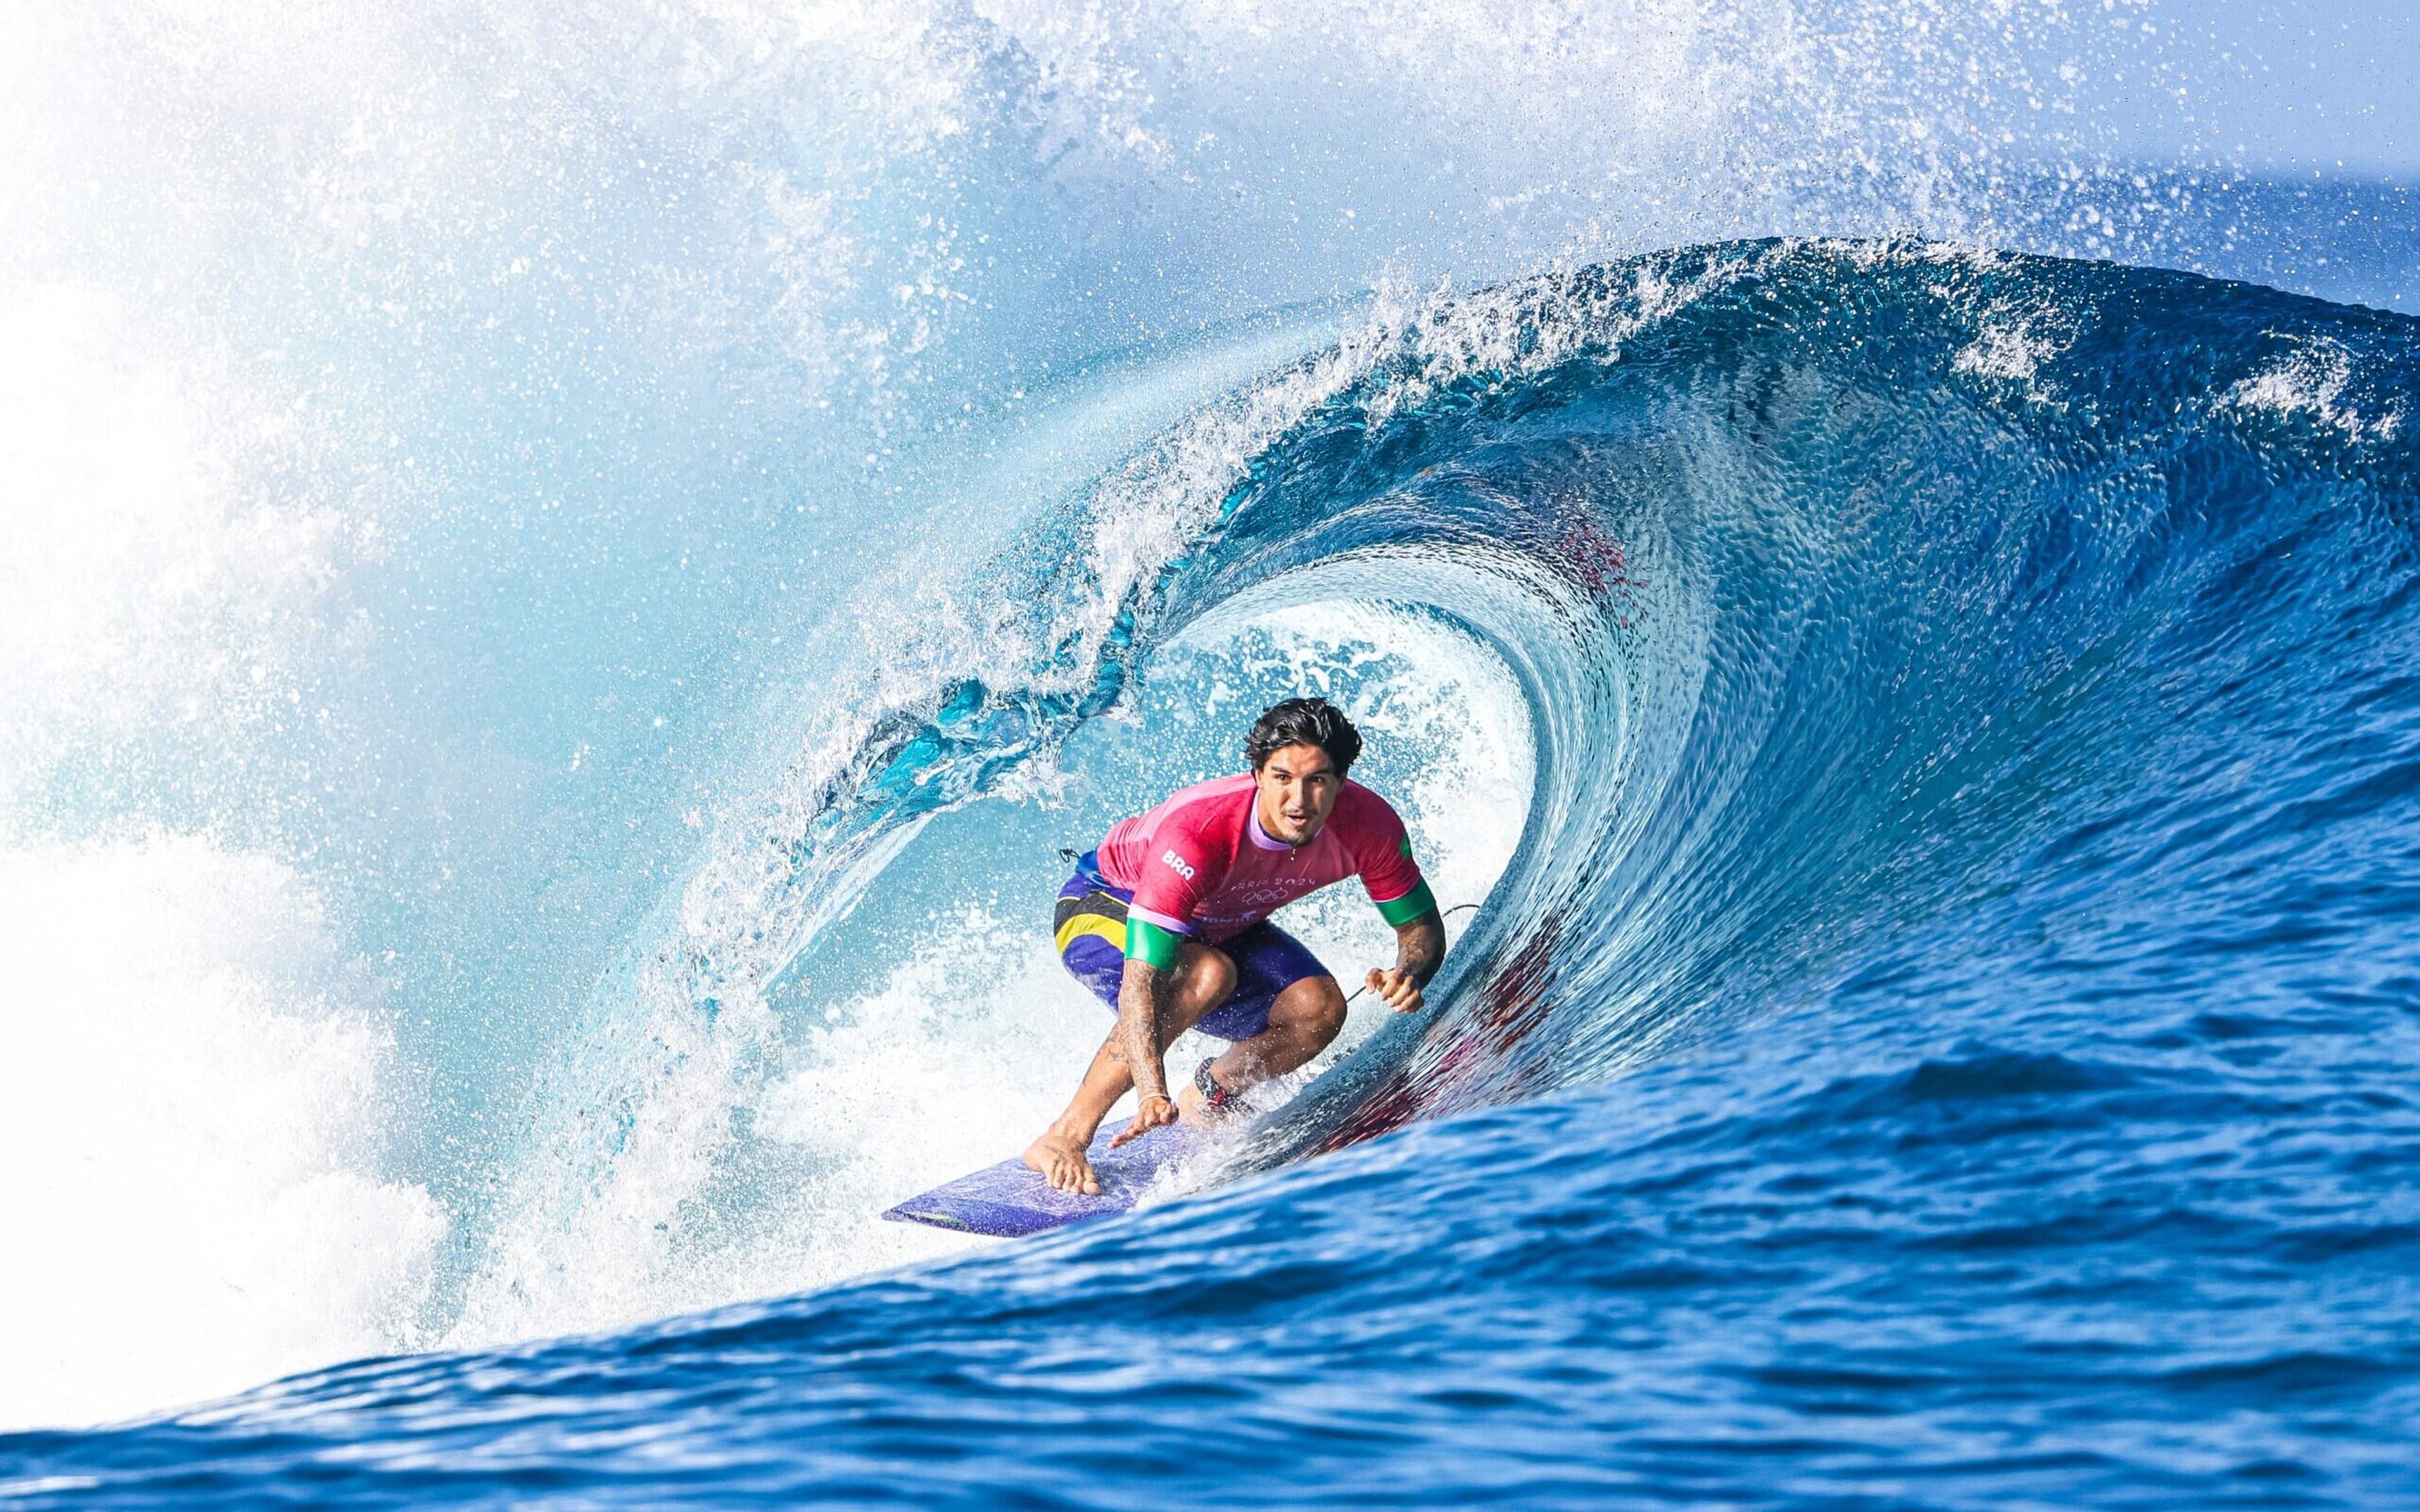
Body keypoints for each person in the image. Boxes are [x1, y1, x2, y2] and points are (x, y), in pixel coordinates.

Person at [1024, 697, 1447, 1195]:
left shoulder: (1368, 826)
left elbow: (1420, 929)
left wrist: (1408, 974)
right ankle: (1064, 1136)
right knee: (1207, 972)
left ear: (1341, 781)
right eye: (1283, 778)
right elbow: (1141, 983)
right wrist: (1151, 1090)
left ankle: (1212, 1096)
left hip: (1217, 924)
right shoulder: (1200, 832)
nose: (1299, 800)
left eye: (1317, 780)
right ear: (1257, 775)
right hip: (1101, 904)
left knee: (1320, 1009)